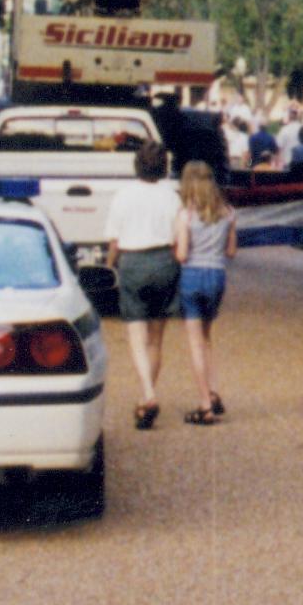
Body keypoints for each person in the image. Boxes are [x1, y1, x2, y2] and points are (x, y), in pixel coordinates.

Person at [105, 139, 184, 426]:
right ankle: (145, 394)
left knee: (136, 336)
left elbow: (114, 240)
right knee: (156, 338)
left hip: (133, 263)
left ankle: (148, 394)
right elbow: (178, 237)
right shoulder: (172, 197)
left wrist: (109, 265)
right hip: (164, 262)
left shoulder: (123, 195)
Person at [171, 158, 237, 422]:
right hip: (217, 275)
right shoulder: (229, 212)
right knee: (207, 339)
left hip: (192, 276)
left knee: (195, 343)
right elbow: (231, 251)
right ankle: (213, 390)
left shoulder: (185, 215)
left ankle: (204, 404)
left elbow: (182, 254)